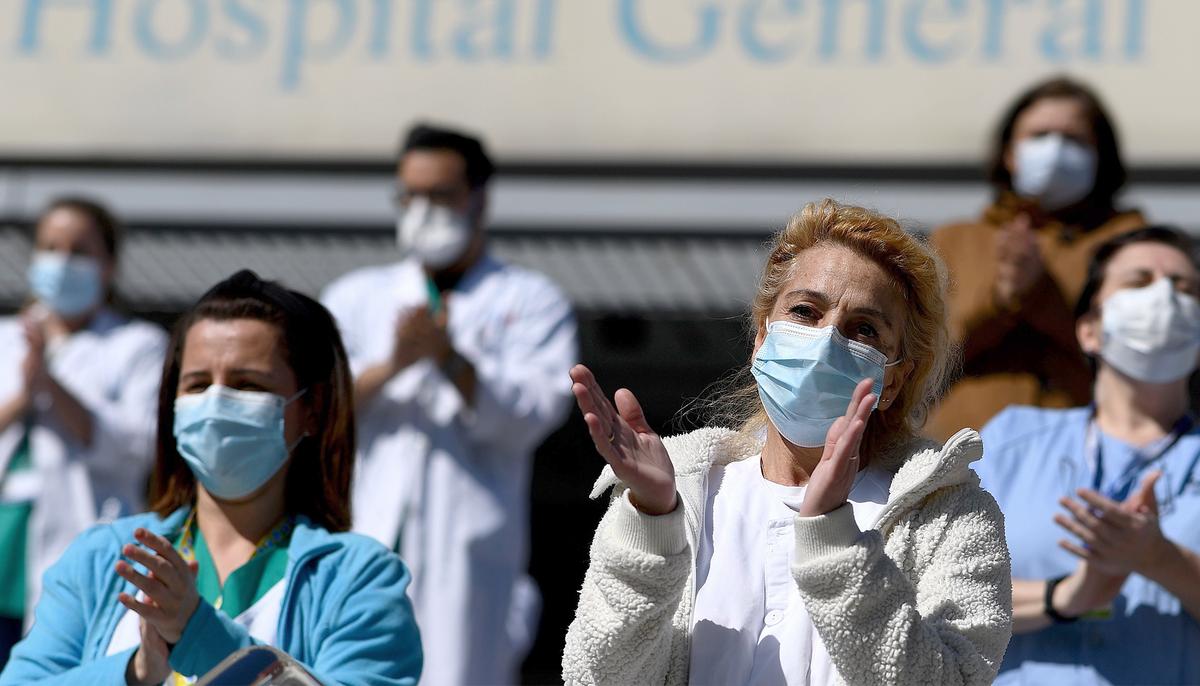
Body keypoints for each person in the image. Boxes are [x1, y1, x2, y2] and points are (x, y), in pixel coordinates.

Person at [562, 200, 1012, 685]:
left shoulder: (948, 514)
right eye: (805, 311)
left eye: (864, 329)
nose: (826, 341)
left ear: (894, 382)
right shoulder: (684, 495)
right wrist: (651, 524)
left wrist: (832, 537)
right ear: (761, 339)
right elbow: (598, 676)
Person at [0, 270, 423, 685]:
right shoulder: (102, 558)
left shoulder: (358, 578)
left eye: (247, 385)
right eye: (198, 385)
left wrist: (198, 634)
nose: (217, 402)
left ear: (309, 410)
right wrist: (136, 672)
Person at [322, 123, 578, 685]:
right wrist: (393, 365)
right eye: (410, 196)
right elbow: (314, 409)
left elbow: (535, 412)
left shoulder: (531, 299)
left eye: (440, 195)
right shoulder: (356, 295)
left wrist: (451, 360)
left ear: (479, 199)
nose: (423, 210)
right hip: (366, 530)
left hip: (467, 552)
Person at [978, 226, 1200, 684]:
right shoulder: (1009, 439)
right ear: (1089, 331)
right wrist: (1066, 597)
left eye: (1185, 288)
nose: (1165, 298)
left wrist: (1160, 559)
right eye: (1139, 282)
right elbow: (933, 589)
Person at [928, 76, 1145, 441]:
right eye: (1039, 135)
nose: (1055, 149)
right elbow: (925, 357)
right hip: (962, 457)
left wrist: (1042, 295)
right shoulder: (956, 240)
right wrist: (999, 301)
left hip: (1085, 453)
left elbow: (1138, 355)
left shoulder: (1129, 241)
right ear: (1010, 154)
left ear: (1100, 157)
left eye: (1074, 138)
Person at [0, 197, 166, 667]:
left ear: (108, 265)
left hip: (79, 529)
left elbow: (139, 445)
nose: (61, 262)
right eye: (50, 247)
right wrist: (24, 394)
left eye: (79, 250)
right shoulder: (6, 336)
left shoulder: (137, 346)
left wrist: (51, 385)